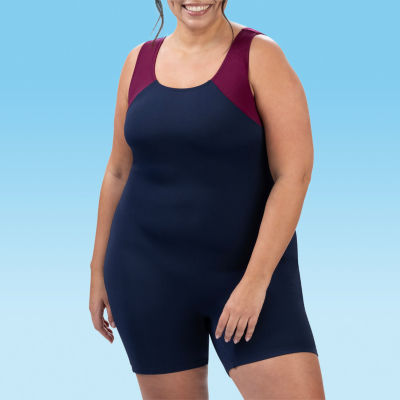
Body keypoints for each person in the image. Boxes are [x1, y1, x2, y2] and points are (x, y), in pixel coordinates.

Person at [89, 1, 325, 398]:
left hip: (249, 273)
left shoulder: (260, 56)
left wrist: (255, 282)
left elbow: (293, 175)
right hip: (146, 277)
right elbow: (117, 171)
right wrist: (97, 270)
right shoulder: (137, 62)